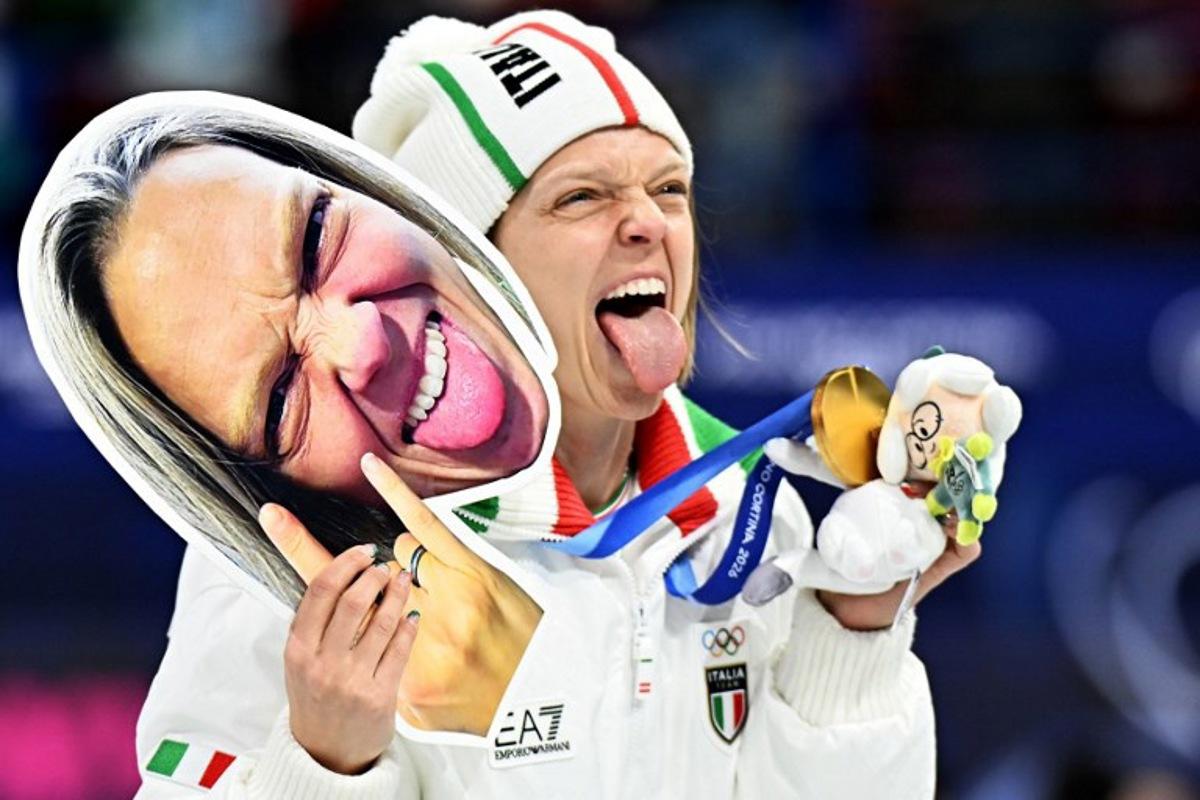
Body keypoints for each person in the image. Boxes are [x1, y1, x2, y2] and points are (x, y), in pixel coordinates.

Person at [21, 10, 995, 799]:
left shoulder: (751, 512)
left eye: (667, 185)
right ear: (471, 253)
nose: (645, 224)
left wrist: (856, 634)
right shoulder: (288, 578)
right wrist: (324, 763)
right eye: (577, 200)